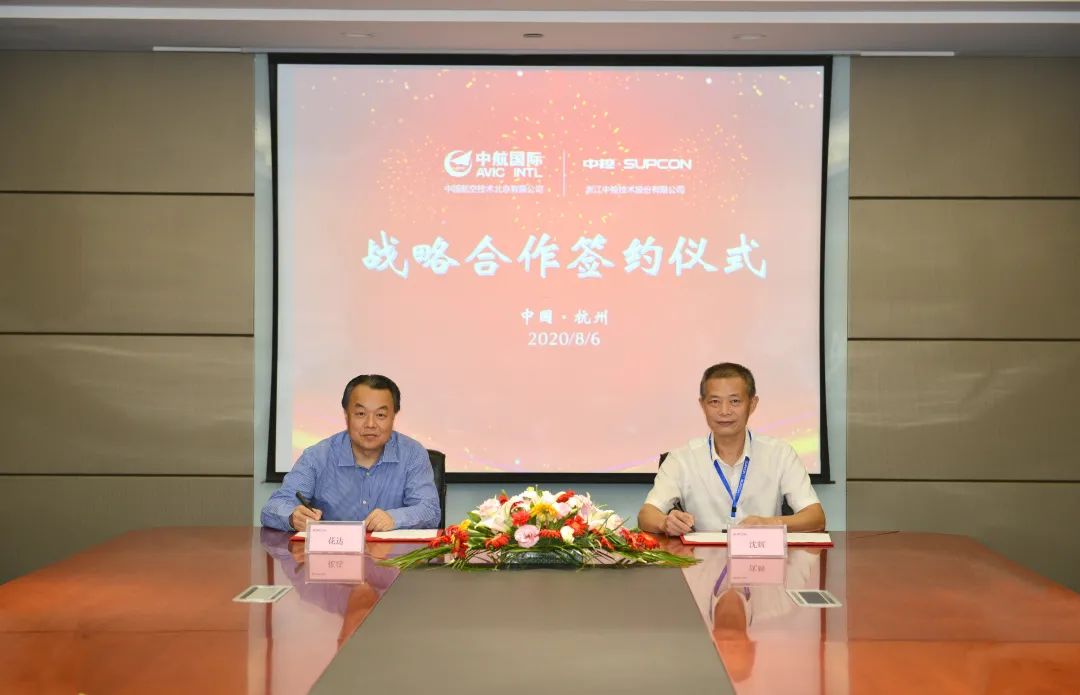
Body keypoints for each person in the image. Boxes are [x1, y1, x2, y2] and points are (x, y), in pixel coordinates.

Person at [638, 362, 825, 535]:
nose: (724, 411)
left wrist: (769, 523)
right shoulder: (681, 459)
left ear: (752, 404)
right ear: (702, 405)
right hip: (700, 558)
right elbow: (646, 514)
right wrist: (665, 523)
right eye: (714, 402)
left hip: (763, 556)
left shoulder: (780, 453)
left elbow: (816, 517)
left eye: (735, 401)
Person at [261, 374, 441, 532]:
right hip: (333, 556)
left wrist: (394, 519)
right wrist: (293, 517)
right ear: (346, 416)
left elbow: (430, 510)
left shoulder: (413, 455)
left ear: (394, 417)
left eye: (380, 415)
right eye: (361, 414)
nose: (370, 424)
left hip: (396, 558)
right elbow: (273, 507)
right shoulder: (318, 457)